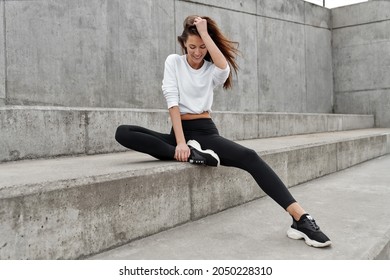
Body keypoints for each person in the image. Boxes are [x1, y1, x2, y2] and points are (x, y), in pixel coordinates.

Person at [115, 15, 332, 248]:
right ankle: (192, 153)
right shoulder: (174, 62)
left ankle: (301, 218)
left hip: (204, 132)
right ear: (183, 45)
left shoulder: (212, 69)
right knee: (123, 132)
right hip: (181, 134)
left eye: (202, 47)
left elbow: (224, 68)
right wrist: (180, 144)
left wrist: (206, 35)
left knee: (250, 157)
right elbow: (172, 101)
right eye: (191, 47)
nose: (197, 52)